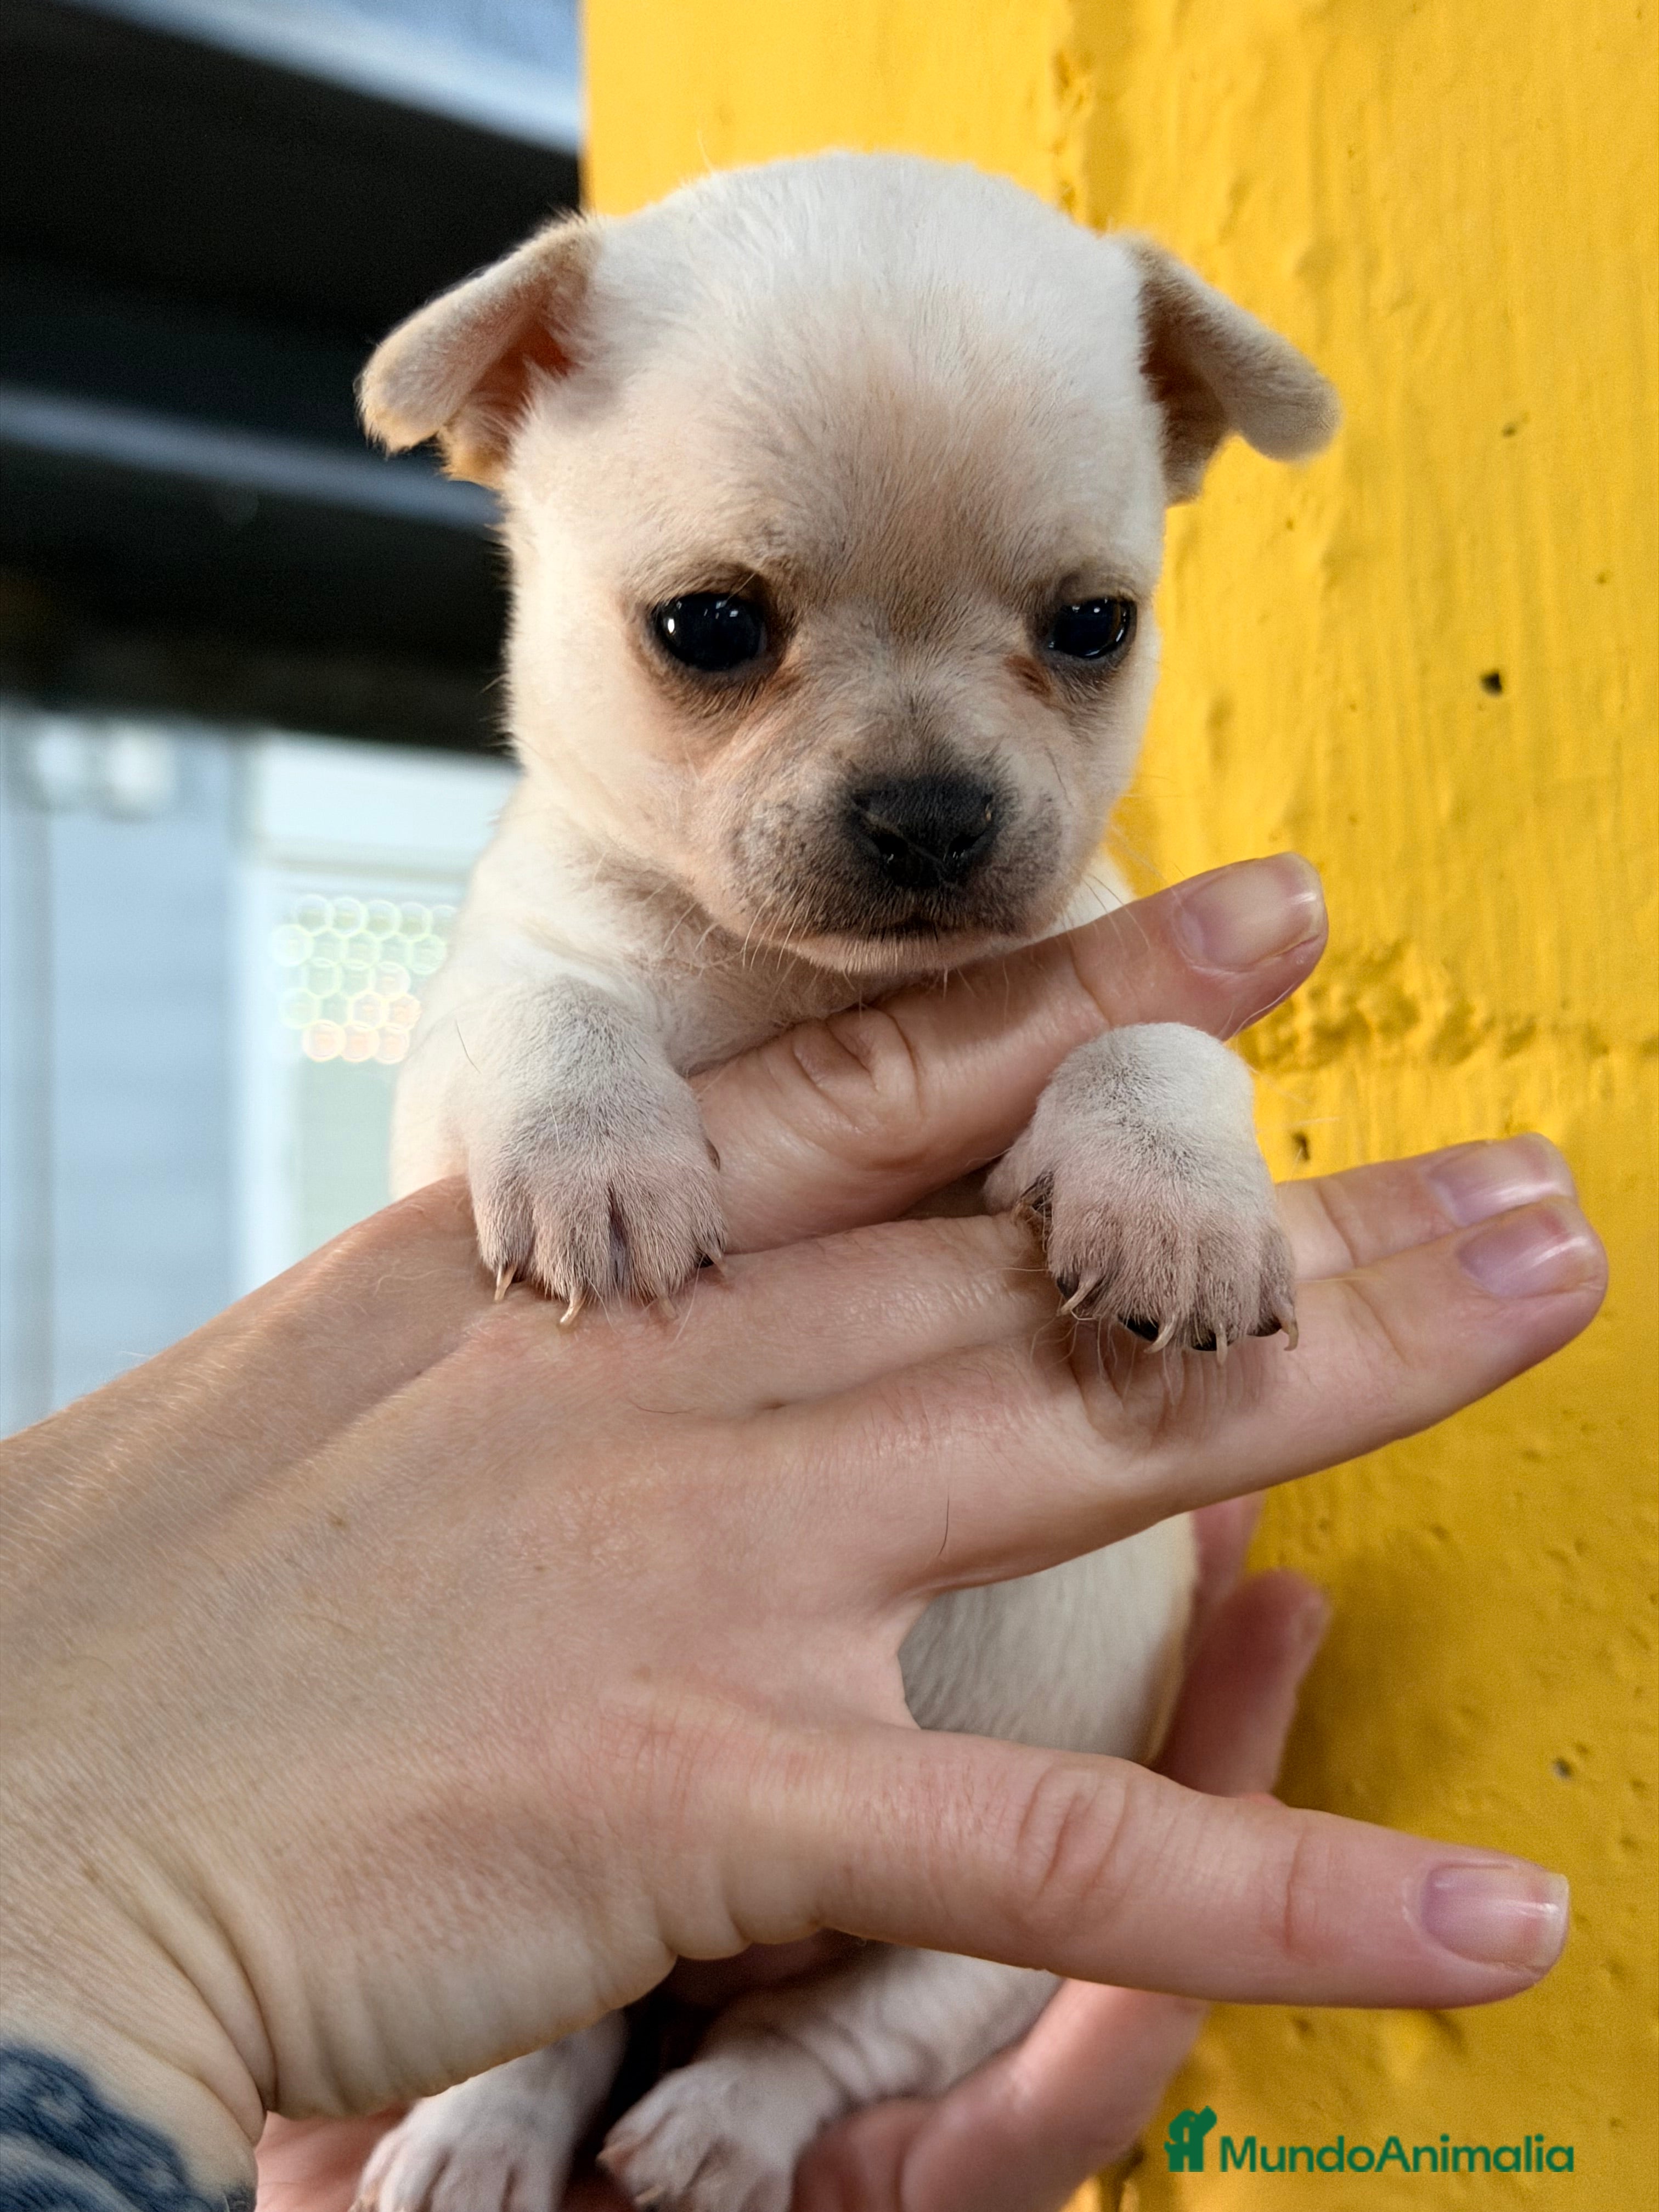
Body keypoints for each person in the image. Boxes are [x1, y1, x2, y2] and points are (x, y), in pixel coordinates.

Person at [0, 859, 1603, 2212]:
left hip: (949, 1900)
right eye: (714, 632)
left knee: (1043, 1901)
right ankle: (535, 2072)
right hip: (581, 1877)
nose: (930, 780)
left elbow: (1166, 1067)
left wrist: (1156, 1123)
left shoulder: (1079, 920)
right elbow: (487, 1071)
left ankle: (795, 2065)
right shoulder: (562, 919)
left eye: (1080, 627)